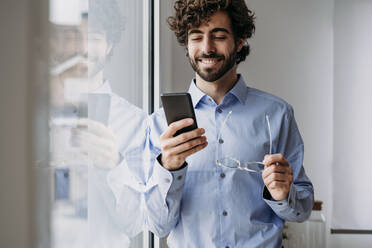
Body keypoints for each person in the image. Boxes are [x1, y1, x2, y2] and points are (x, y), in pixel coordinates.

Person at [145, 0, 314, 247]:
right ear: (187, 43)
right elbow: (157, 225)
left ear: (240, 40)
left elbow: (303, 210)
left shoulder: (277, 114)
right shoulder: (160, 124)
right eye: (196, 36)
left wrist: (283, 194)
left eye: (219, 35)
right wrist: (168, 168)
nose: (207, 48)